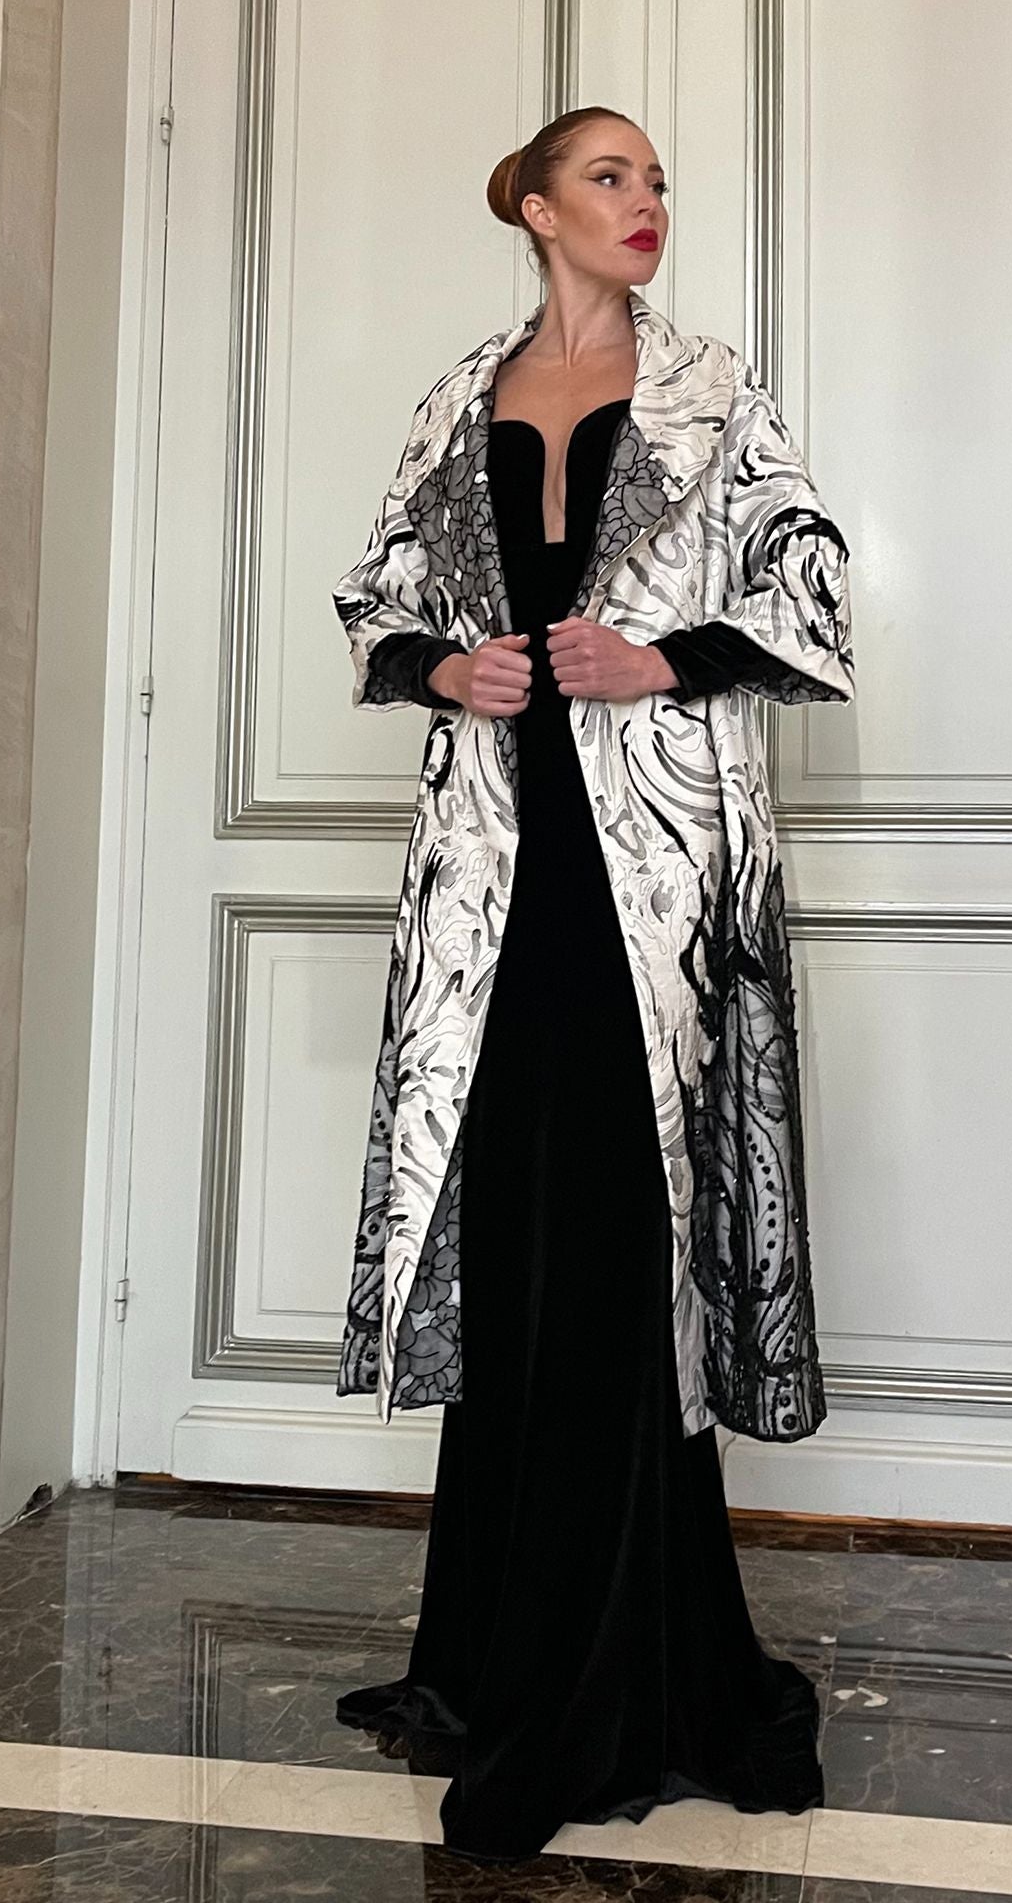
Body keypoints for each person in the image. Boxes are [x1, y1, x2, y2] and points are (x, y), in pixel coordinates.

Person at [330, 105, 855, 1862]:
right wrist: (440, 669)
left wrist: (662, 656)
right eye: (610, 178)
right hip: (489, 882)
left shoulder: (712, 391)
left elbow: (813, 594)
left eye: (655, 182)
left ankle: (628, 1674)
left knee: (632, 1252)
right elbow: (372, 598)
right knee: (515, 1244)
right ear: (538, 209)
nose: (645, 205)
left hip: (658, 885)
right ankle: (492, 1653)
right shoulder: (456, 396)